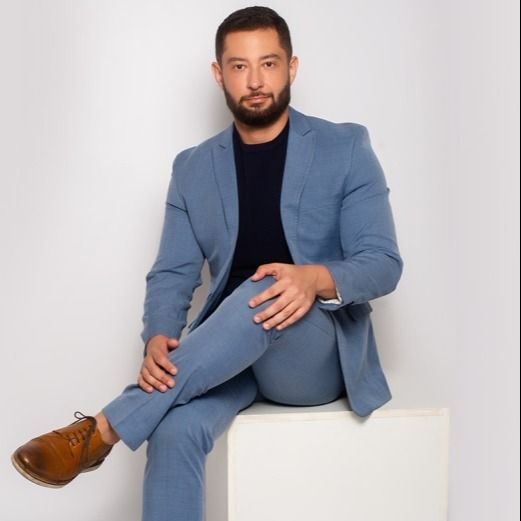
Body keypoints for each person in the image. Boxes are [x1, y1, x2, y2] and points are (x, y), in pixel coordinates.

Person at [11, 6, 403, 521]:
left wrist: (312, 278)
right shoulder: (192, 167)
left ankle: (102, 430)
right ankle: (120, 427)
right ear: (219, 74)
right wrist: (158, 336)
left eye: (268, 63)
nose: (255, 80)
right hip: (225, 353)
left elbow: (382, 263)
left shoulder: (345, 146)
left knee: (260, 288)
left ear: (292, 67)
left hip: (312, 354)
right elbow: (172, 272)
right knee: (172, 431)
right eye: (240, 66)